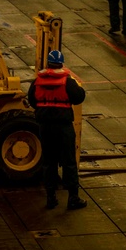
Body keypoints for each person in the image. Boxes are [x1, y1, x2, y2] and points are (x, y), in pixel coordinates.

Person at [27, 49, 87, 210]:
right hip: (63, 127)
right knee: (69, 162)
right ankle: (73, 197)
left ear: (48, 63)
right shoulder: (67, 81)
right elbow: (79, 97)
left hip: (45, 127)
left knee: (49, 162)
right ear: (61, 63)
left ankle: (51, 197)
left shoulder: (37, 81)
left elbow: (32, 99)